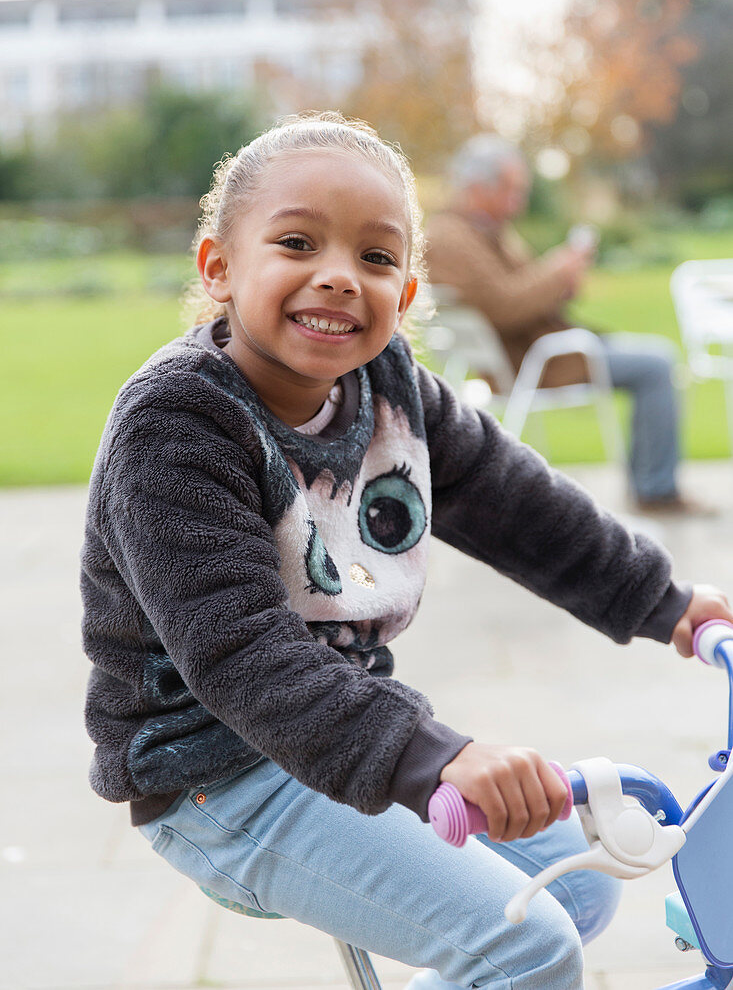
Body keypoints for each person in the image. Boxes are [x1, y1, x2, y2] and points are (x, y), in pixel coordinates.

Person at [81, 113, 731, 990]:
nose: (340, 276)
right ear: (219, 268)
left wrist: (668, 604)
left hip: (337, 733)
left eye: (377, 258)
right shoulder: (177, 426)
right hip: (215, 777)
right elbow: (240, 655)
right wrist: (435, 757)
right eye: (298, 242)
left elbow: (517, 504)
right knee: (524, 942)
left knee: (569, 892)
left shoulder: (388, 390)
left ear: (407, 293)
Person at [425, 134, 709, 516]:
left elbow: (521, 293)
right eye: (513, 190)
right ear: (478, 187)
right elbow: (506, 307)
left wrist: (561, 281)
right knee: (657, 364)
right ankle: (656, 490)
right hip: (535, 362)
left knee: (648, 354)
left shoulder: (479, 232)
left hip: (542, 350)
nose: (519, 202)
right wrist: (557, 272)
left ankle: (651, 484)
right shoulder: (451, 239)